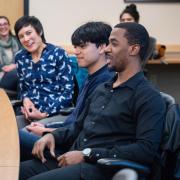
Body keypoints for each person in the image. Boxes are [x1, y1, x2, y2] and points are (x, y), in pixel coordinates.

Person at [19, 22, 166, 180]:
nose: (107, 49)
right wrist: (53, 136)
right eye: (108, 43)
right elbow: (77, 127)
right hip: (72, 157)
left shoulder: (148, 96)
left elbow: (145, 150)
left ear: (133, 49)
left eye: (114, 44)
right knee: (10, 171)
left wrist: (87, 154)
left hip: (99, 168)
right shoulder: (102, 88)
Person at [19, 21, 115, 160]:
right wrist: (47, 126)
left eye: (82, 46)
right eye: (75, 46)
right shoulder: (91, 77)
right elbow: (76, 120)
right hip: (62, 131)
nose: (76, 52)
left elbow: (83, 129)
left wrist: (47, 131)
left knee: (10, 138)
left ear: (101, 47)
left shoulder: (104, 82)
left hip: (68, 146)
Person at [14, 16, 74, 128]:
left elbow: (67, 93)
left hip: (57, 112)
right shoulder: (20, 57)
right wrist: (26, 100)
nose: (26, 39)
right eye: (21, 36)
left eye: (28, 33)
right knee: (5, 129)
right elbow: (23, 88)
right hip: (30, 114)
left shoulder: (58, 53)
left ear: (40, 31)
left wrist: (44, 114)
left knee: (24, 134)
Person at [0, 16, 21, 91]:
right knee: (20, 73)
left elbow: (25, 58)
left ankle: (22, 102)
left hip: (16, 72)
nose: (3, 27)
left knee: (22, 81)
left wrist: (14, 65)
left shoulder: (18, 41)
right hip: (2, 76)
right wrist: (5, 67)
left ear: (9, 26)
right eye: (0, 25)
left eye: (5, 24)